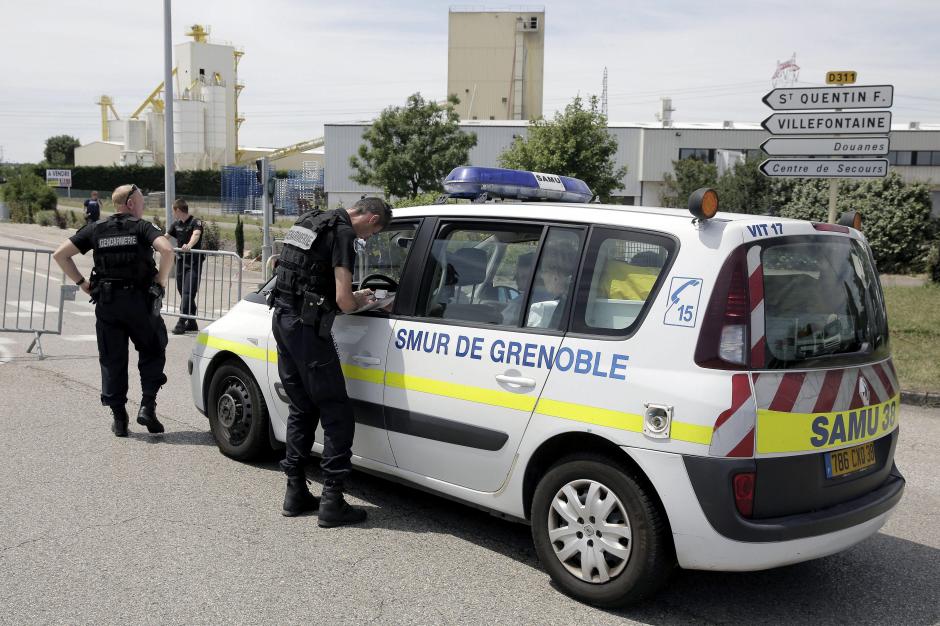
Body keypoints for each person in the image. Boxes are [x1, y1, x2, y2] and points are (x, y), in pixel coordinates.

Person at [271, 197, 392, 527]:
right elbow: (343, 300)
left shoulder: (310, 220)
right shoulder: (344, 233)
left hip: (282, 320)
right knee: (337, 411)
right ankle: (332, 501)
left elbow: (300, 273)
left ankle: (295, 492)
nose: (368, 238)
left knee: (302, 407)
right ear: (371, 218)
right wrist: (363, 300)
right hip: (308, 329)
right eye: (373, 232)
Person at [53, 184, 174, 437]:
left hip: (108, 304)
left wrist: (83, 284)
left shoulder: (96, 229)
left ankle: (119, 419)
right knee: (153, 350)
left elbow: (60, 255)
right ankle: (147, 406)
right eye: (141, 202)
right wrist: (161, 281)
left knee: (112, 359)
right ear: (130, 203)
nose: (143, 207)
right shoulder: (142, 227)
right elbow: (167, 250)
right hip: (140, 303)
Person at [167, 199, 204, 334]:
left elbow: (196, 234)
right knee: (182, 291)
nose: (173, 213)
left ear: (177, 210)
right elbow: (165, 236)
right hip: (181, 262)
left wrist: (189, 245)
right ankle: (192, 322)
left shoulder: (196, 222)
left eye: (173, 210)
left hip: (194, 262)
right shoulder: (176, 224)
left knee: (188, 291)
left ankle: (181, 322)